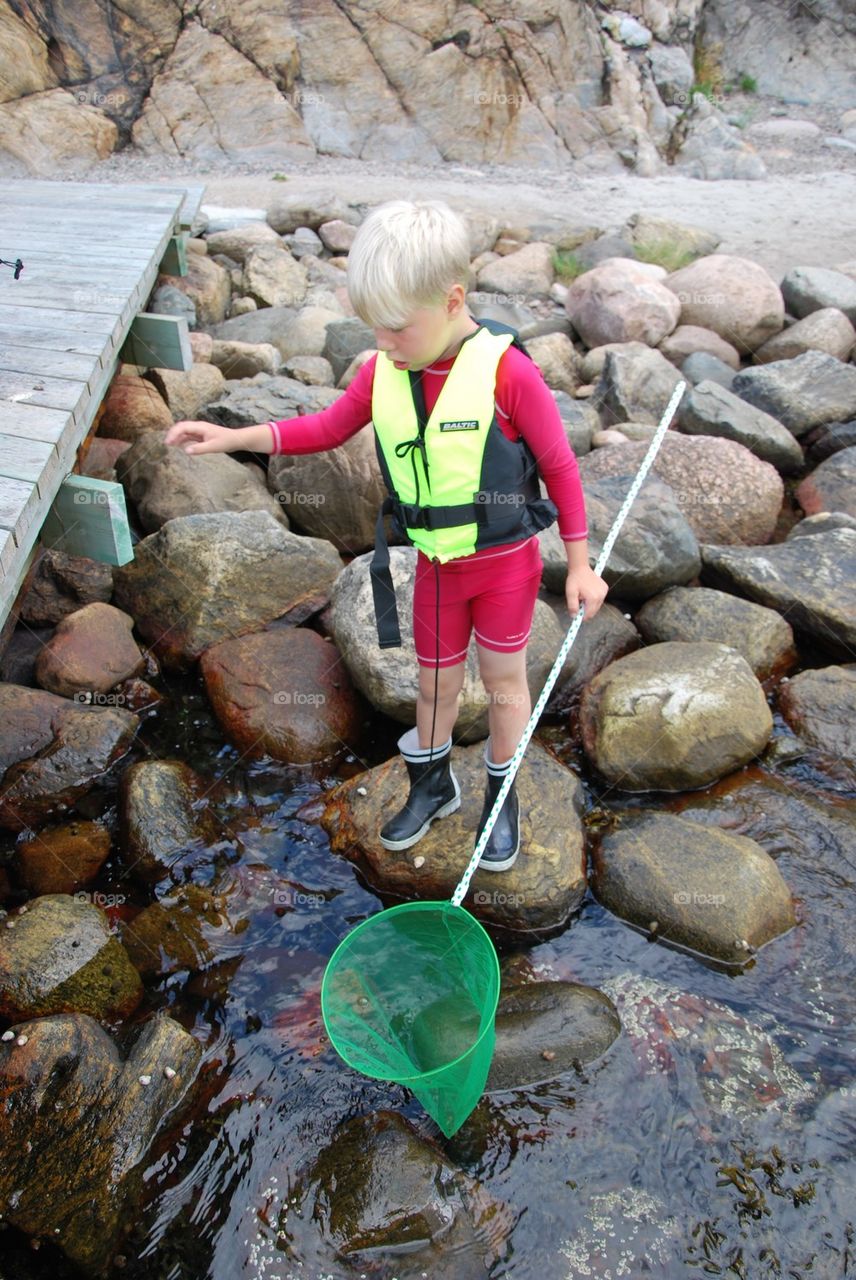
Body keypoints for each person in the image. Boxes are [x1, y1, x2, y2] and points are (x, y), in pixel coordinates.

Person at [165, 199, 608, 873]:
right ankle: (433, 785)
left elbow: (560, 465)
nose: (383, 342)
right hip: (434, 565)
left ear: (453, 298)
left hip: (503, 567)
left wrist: (580, 565)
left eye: (397, 327)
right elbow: (323, 428)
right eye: (374, 327)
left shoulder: (507, 374)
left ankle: (500, 796)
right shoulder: (382, 371)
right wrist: (234, 436)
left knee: (504, 681)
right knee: (433, 685)